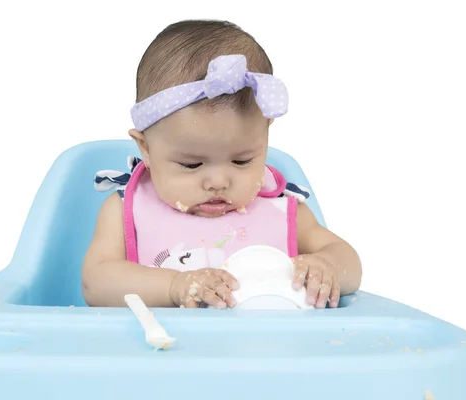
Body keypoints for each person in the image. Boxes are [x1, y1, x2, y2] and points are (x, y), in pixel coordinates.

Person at [82, 19, 362, 310]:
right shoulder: (127, 205)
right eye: (191, 164)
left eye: (242, 161)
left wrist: (326, 266)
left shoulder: (280, 206)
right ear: (146, 149)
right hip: (161, 350)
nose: (218, 181)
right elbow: (96, 282)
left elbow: (349, 263)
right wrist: (174, 286)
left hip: (266, 352)